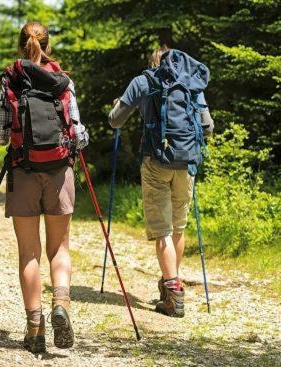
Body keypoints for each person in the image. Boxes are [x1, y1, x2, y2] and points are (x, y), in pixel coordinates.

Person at [0, 21, 89, 353]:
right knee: (59, 249)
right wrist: (75, 146)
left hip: (23, 171)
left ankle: (35, 328)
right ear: (48, 46)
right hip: (59, 172)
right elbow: (78, 133)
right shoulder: (63, 81)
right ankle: (62, 304)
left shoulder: (11, 80)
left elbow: (0, 133)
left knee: (29, 253)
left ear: (20, 47)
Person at [108, 46, 214, 317]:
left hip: (156, 161)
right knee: (178, 226)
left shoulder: (143, 81)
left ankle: (173, 293)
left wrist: (115, 109)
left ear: (154, 62)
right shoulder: (191, 83)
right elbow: (208, 127)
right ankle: (171, 283)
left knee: (163, 230)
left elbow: (115, 121)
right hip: (187, 163)